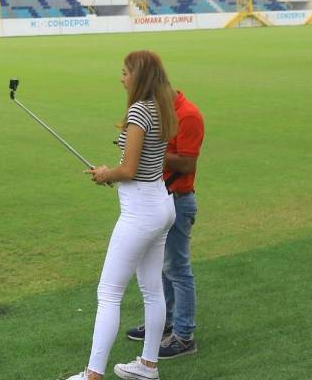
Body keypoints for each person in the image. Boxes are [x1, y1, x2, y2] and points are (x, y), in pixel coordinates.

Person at [64, 50, 178, 380]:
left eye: (125, 72)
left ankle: (92, 375)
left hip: (141, 211)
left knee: (109, 293)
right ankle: (148, 366)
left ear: (139, 76)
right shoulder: (161, 105)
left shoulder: (140, 110)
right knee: (152, 290)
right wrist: (112, 173)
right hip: (160, 203)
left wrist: (105, 174)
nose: (122, 78)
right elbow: (139, 166)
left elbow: (128, 169)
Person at [125, 88, 205, 359]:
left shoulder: (188, 115)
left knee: (177, 268)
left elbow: (187, 164)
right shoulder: (159, 111)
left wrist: (144, 150)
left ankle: (184, 336)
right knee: (161, 266)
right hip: (159, 198)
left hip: (178, 200)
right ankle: (165, 323)